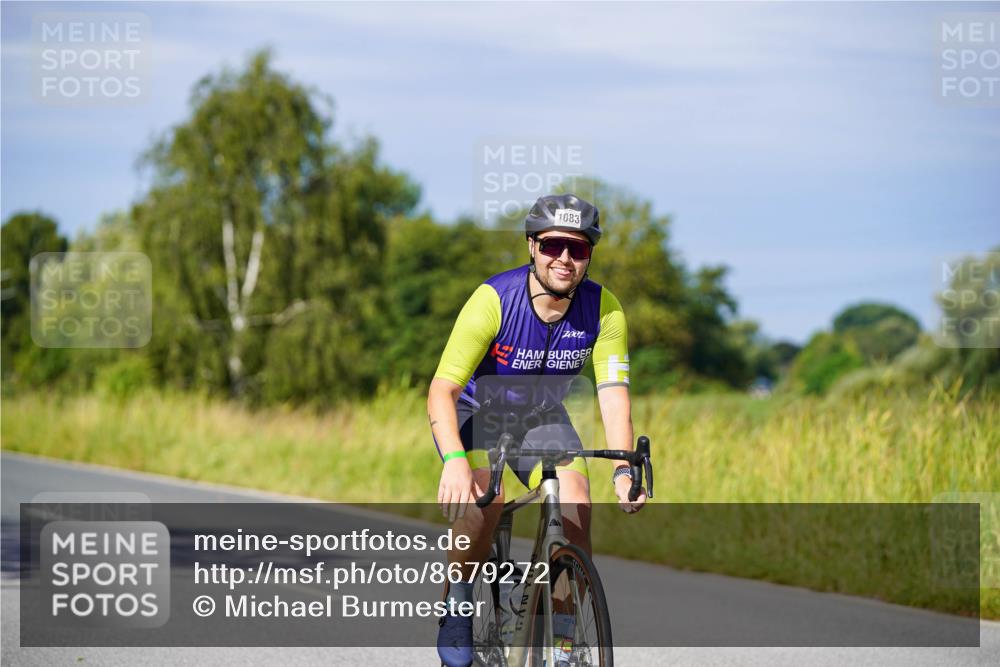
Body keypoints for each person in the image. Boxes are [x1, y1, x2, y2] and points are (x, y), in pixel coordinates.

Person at [428, 194, 647, 667]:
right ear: (532, 246)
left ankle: (564, 644)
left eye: (578, 249)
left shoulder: (604, 309)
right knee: (486, 496)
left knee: (575, 504)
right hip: (476, 411)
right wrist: (454, 463)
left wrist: (624, 470)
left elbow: (613, 394)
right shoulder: (494, 299)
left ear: (590, 255)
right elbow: (441, 391)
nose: (564, 259)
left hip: (540, 417)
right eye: (552, 246)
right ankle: (459, 601)